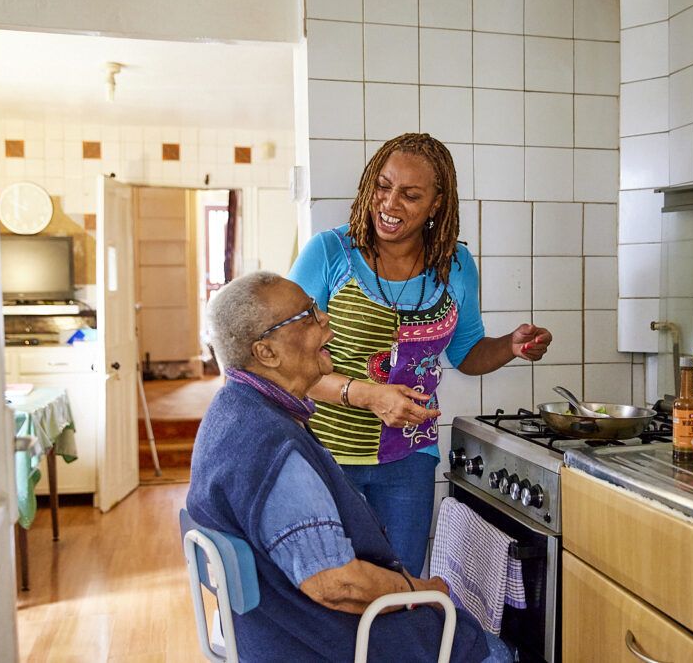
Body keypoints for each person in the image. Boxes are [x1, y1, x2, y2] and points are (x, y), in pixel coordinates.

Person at [185, 272, 512, 662]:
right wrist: (422, 591)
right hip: (322, 645)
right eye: (307, 316)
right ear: (266, 352)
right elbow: (337, 584)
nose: (326, 320)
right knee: (494, 651)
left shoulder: (232, 411)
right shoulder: (273, 451)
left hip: (280, 630)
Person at [289, 133, 553, 576]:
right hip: (327, 455)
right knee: (332, 588)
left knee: (399, 586)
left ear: (436, 204)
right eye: (383, 186)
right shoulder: (329, 253)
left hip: (409, 460)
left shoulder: (457, 264)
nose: (390, 204)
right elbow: (289, 366)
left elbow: (467, 352)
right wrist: (369, 396)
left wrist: (510, 346)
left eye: (411, 195)